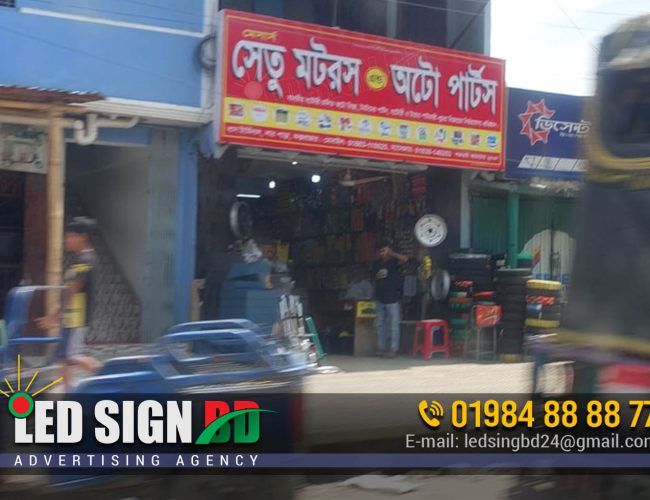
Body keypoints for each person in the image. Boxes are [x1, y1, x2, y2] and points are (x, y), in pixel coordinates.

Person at [37, 217, 102, 391]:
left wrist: (55, 315)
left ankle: (109, 376)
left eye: (71, 236)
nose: (67, 240)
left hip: (77, 318)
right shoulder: (80, 259)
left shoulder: (85, 260)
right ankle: (70, 393)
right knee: (63, 358)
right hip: (72, 318)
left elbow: (74, 288)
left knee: (72, 356)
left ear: (83, 237)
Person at [372, 240, 409, 358]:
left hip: (393, 297)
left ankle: (393, 349)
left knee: (393, 325)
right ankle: (381, 348)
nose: (383, 253)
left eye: (385, 250)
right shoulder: (376, 263)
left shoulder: (394, 262)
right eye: (381, 251)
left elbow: (405, 259)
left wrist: (392, 253)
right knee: (380, 324)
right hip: (380, 297)